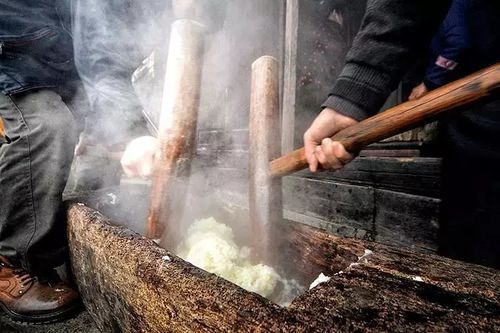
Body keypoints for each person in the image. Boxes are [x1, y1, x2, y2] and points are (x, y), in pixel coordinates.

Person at [304, 0, 500, 268]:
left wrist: (430, 82)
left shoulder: (456, 10)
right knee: (470, 237)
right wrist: (350, 100)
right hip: (473, 120)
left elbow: (458, 41)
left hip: (485, 116)